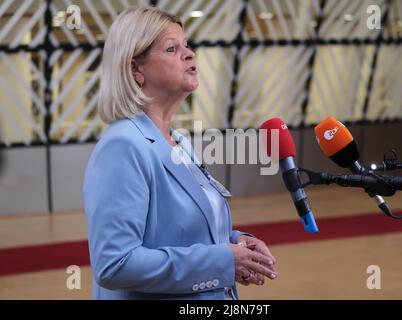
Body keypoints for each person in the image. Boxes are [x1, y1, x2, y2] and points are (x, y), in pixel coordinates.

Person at [83, 6, 277, 300]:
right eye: (172, 49)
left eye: (187, 45)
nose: (190, 54)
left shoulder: (178, 141)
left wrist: (238, 245)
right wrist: (222, 260)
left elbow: (182, 232)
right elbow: (115, 264)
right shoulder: (123, 146)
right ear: (136, 69)